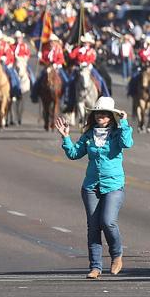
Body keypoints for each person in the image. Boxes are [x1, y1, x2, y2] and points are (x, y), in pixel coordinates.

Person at [54, 96, 134, 279]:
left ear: (111, 117)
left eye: (106, 114)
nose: (102, 116)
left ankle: (117, 255)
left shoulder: (117, 132)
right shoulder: (89, 135)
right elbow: (74, 154)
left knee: (108, 221)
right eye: (99, 113)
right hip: (90, 186)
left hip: (113, 185)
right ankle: (95, 267)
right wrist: (66, 137)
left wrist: (124, 121)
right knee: (93, 226)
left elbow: (127, 143)